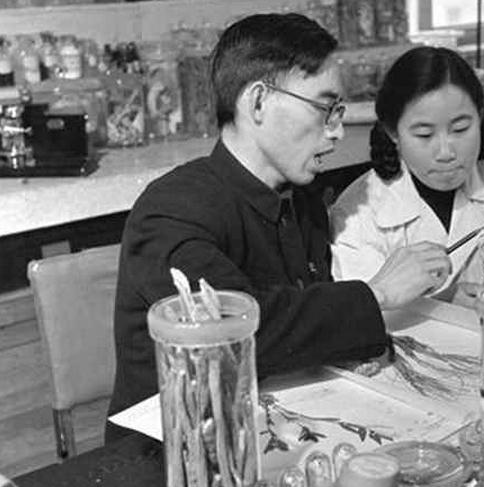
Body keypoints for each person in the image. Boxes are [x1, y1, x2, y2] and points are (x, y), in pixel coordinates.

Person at [109, 13, 451, 429]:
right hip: (177, 447)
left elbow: (303, 322)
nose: (338, 131)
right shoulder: (170, 211)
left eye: (339, 111)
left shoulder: (301, 195)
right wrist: (376, 294)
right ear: (257, 102)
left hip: (283, 418)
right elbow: (237, 332)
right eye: (325, 108)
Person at [330, 46, 484, 301]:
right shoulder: (359, 211)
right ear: (393, 132)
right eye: (424, 135)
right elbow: (367, 312)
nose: (446, 152)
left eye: (461, 129)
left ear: (480, 118)